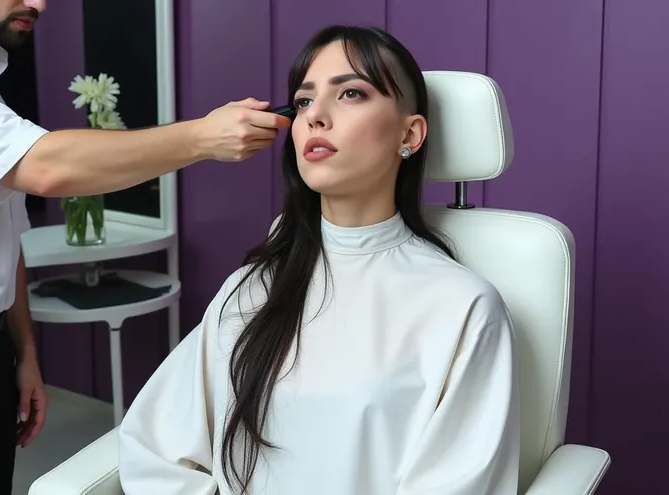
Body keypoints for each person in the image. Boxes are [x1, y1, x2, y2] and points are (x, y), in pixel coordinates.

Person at [118, 25, 521, 495]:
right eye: (304, 101)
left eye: (351, 93)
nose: (315, 117)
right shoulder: (254, 285)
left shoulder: (464, 308)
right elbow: (154, 446)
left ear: (409, 134)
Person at [0, 1, 289, 493]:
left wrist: (24, 351)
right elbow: (47, 168)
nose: (39, 4)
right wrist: (204, 136)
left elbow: (0, 233)